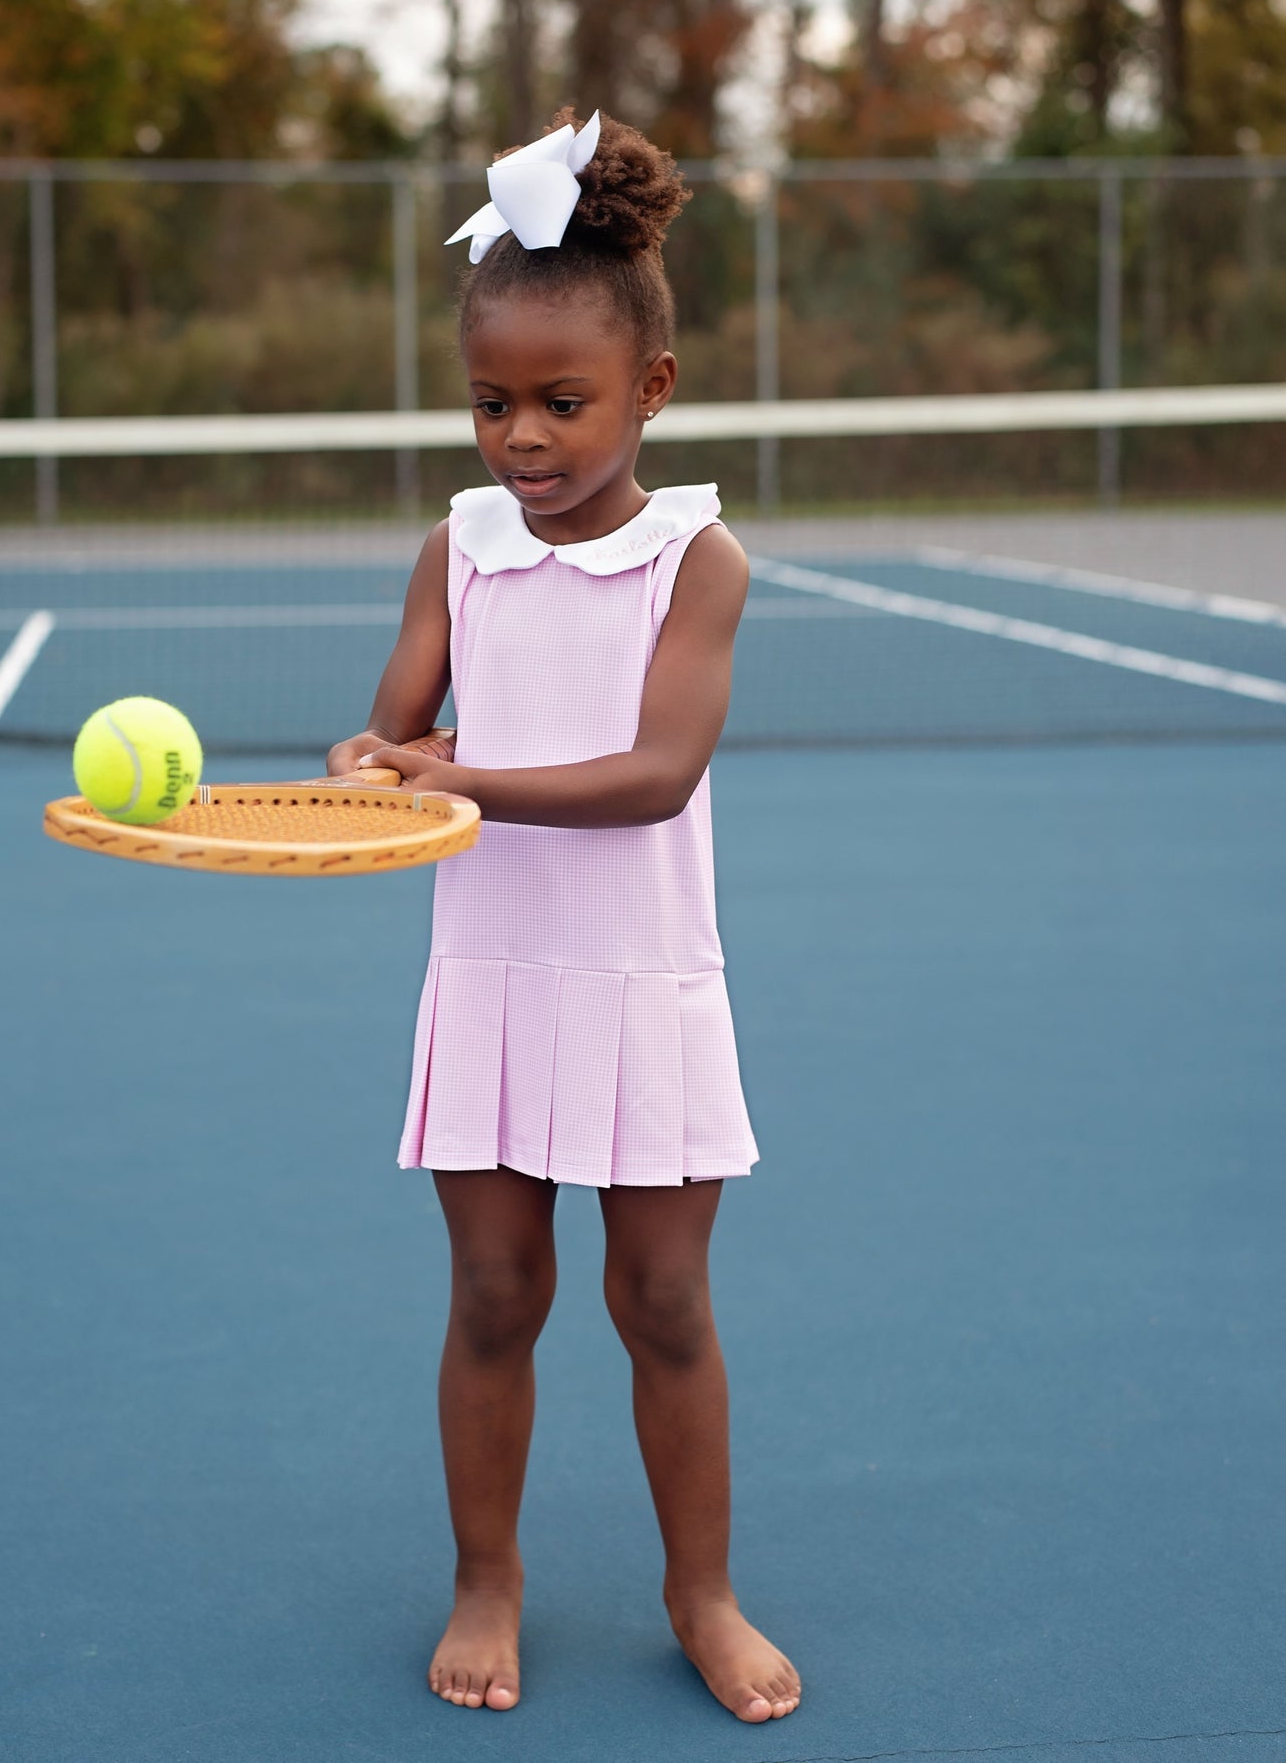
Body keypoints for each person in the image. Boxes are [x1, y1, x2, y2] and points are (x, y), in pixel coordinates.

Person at [326, 108, 801, 1725]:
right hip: (493, 971)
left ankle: (701, 1590)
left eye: (559, 402)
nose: (518, 437)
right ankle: (487, 1577)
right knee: (493, 1294)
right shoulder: (455, 546)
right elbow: (389, 726)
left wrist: (450, 781)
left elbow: (655, 774)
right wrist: (372, 758)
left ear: (650, 391)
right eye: (488, 402)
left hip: (645, 976)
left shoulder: (700, 560)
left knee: (661, 1301)